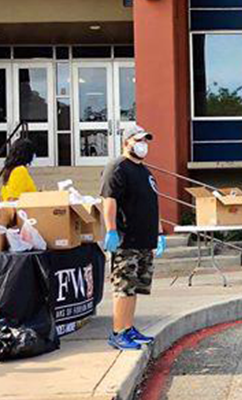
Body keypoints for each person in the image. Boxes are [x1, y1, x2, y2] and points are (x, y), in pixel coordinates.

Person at [100, 125, 167, 351]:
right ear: (127, 142)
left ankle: (128, 327)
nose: (143, 145)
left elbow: (152, 204)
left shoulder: (145, 172)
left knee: (135, 287)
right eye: (138, 140)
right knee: (123, 286)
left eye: (146, 141)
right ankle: (118, 332)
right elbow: (109, 200)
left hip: (144, 240)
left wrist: (158, 233)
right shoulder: (117, 168)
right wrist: (111, 229)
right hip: (126, 240)